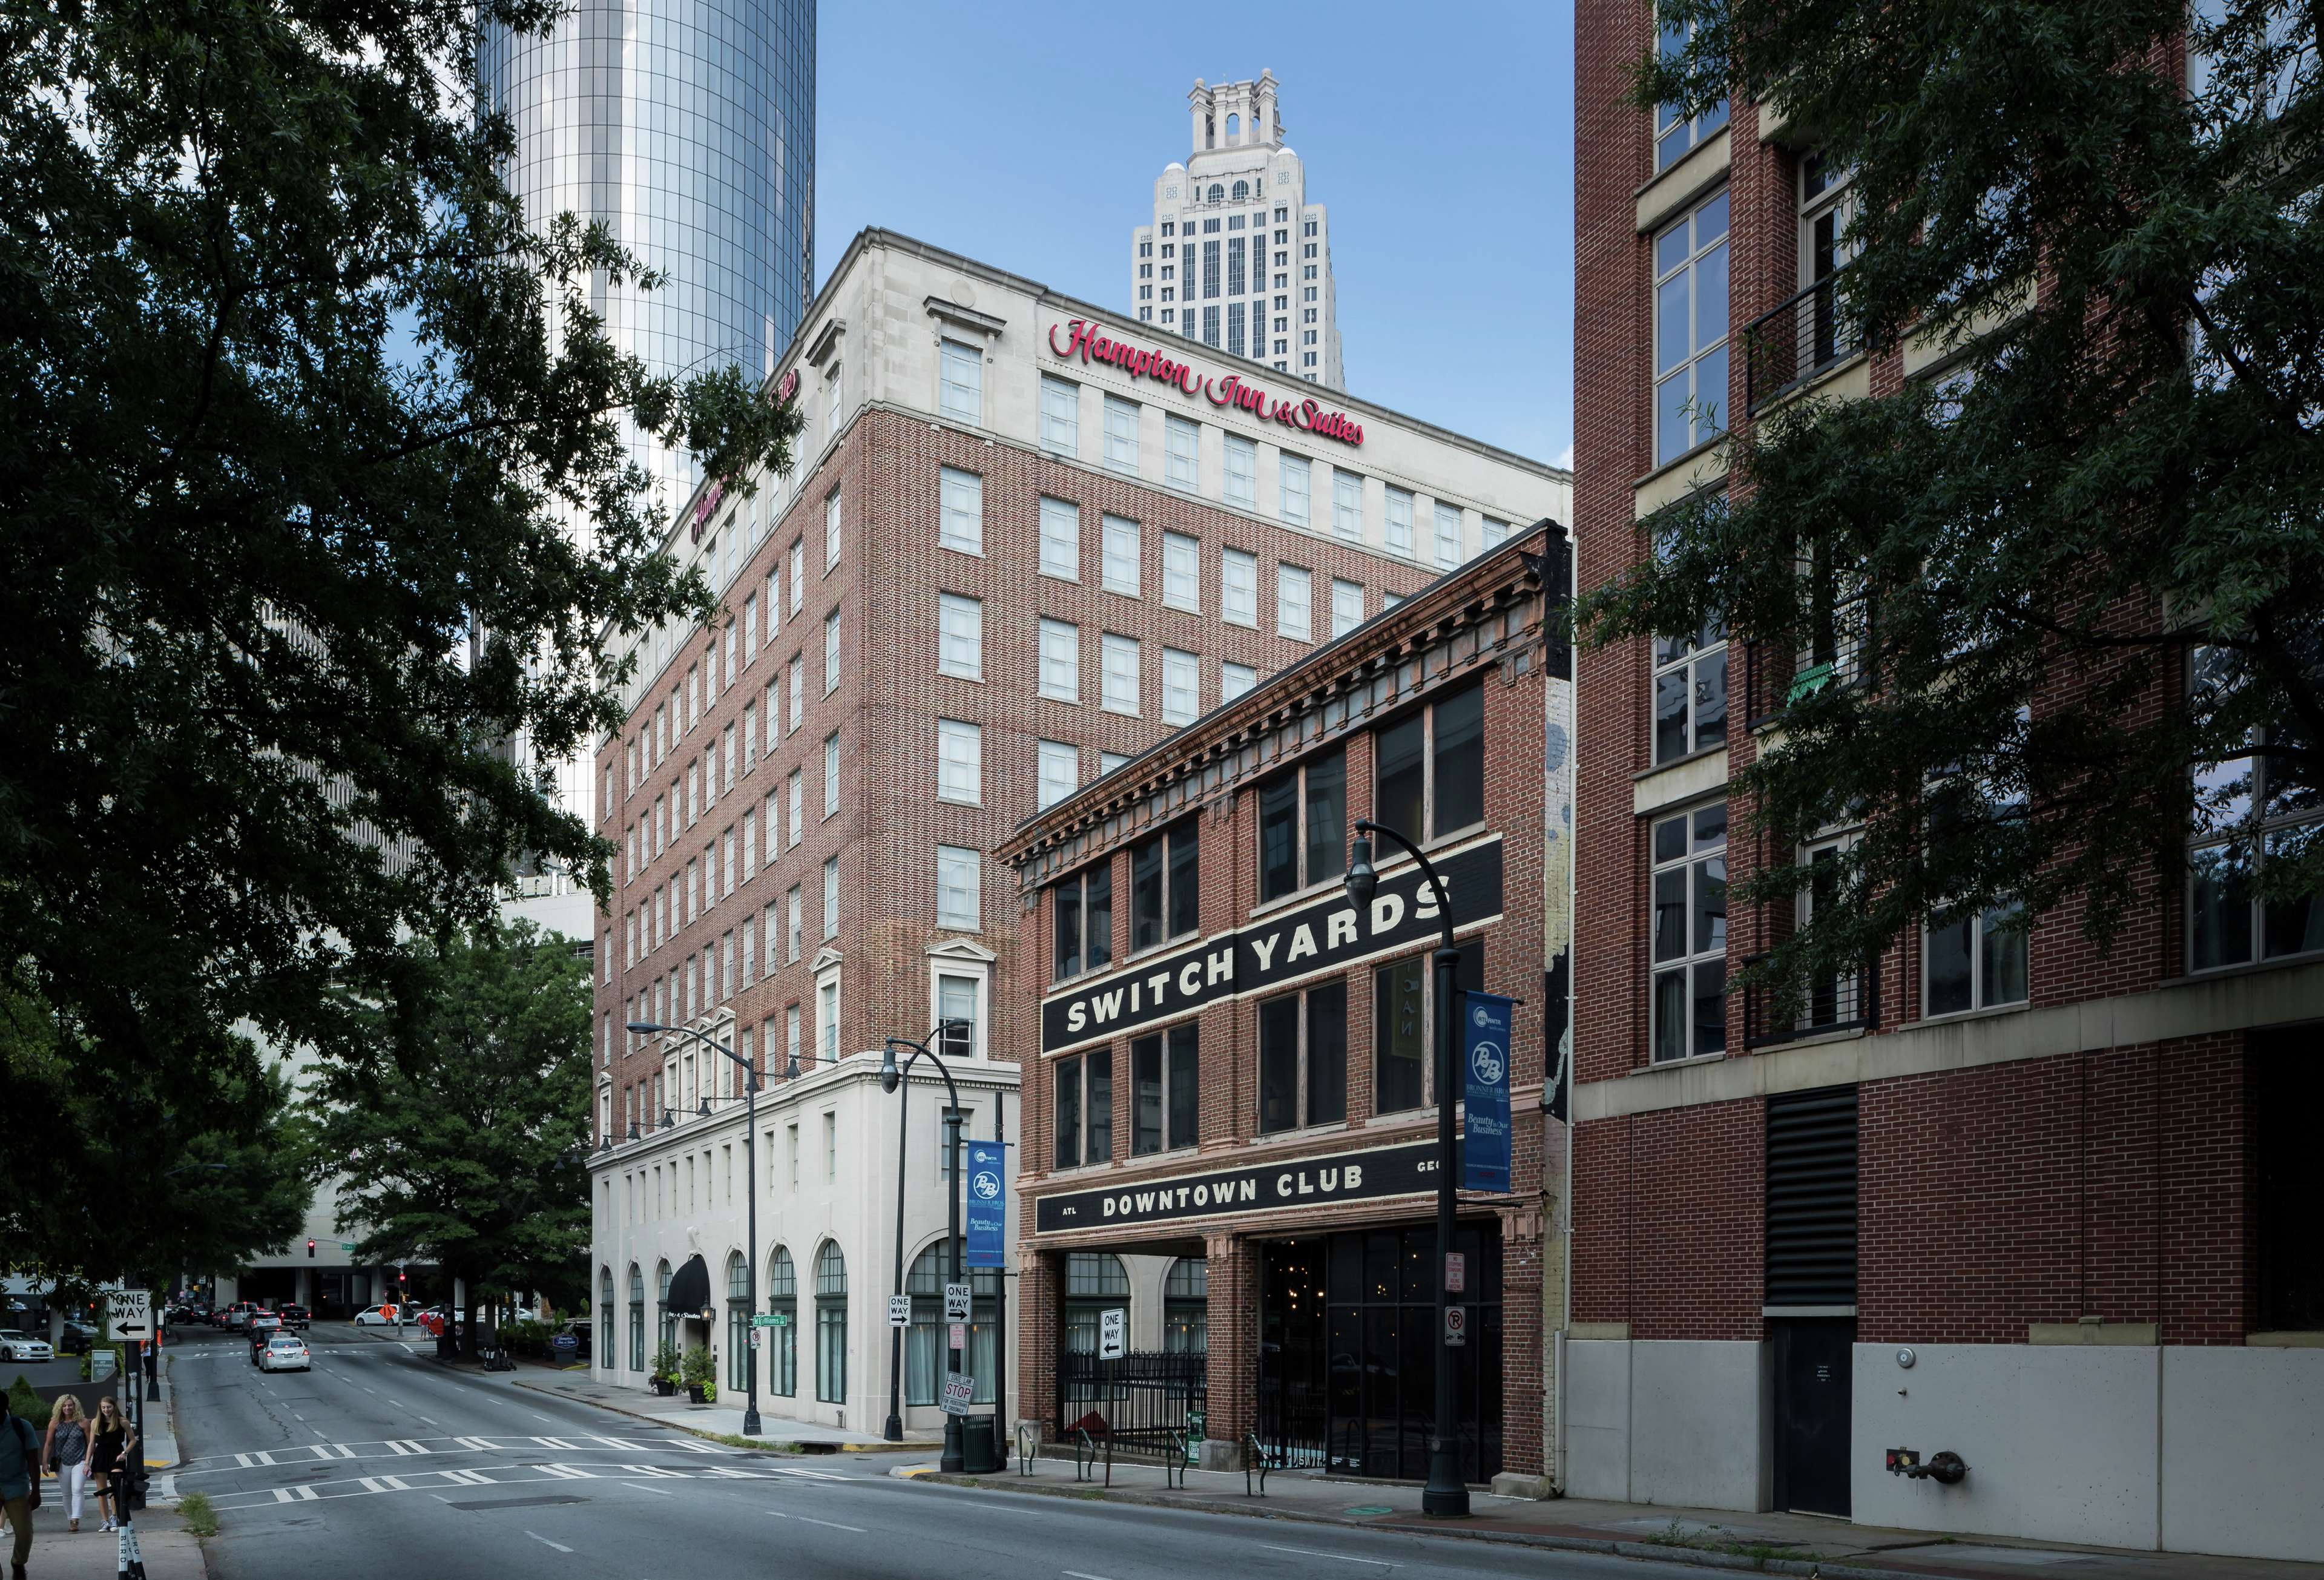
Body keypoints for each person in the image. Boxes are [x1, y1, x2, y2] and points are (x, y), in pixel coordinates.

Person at [1, 1391, 38, 1580]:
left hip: (16, 1486)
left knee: (24, 1532)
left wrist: (36, 1491)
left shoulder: (21, 1427)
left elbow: (33, 1459)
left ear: (5, 1408)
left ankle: (18, 1563)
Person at [84, 1397, 132, 1535]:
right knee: (101, 1491)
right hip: (101, 1454)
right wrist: (87, 1463)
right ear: (100, 1408)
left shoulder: (122, 1422)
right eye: (104, 1407)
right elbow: (92, 1444)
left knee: (115, 1487)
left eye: (109, 1407)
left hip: (117, 1454)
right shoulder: (95, 1422)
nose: (106, 1410)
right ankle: (105, 1520)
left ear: (114, 1407)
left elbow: (133, 1440)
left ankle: (114, 1518)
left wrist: (125, 1453)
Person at [37, 1397, 85, 1535]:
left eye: (70, 1405)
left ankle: (76, 1519)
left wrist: (88, 1460)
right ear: (60, 1407)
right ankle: (70, 1519)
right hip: (61, 1462)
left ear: (75, 1406)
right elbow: (49, 1443)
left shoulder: (83, 1423)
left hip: (80, 1460)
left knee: (78, 1489)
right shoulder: (55, 1423)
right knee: (66, 1493)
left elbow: (90, 1443)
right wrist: (44, 1462)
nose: (67, 1408)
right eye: (64, 1406)